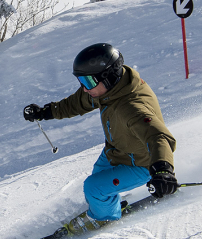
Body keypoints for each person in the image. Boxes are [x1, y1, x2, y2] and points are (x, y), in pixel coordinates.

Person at [23, 43, 178, 223]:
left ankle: (105, 219)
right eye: (81, 81)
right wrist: (45, 112)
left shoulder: (132, 107)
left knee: (94, 188)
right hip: (117, 150)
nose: (84, 88)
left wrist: (163, 170)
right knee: (97, 178)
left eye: (88, 82)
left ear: (109, 76)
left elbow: (158, 137)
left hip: (142, 163)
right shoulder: (108, 89)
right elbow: (76, 103)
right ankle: (108, 203)